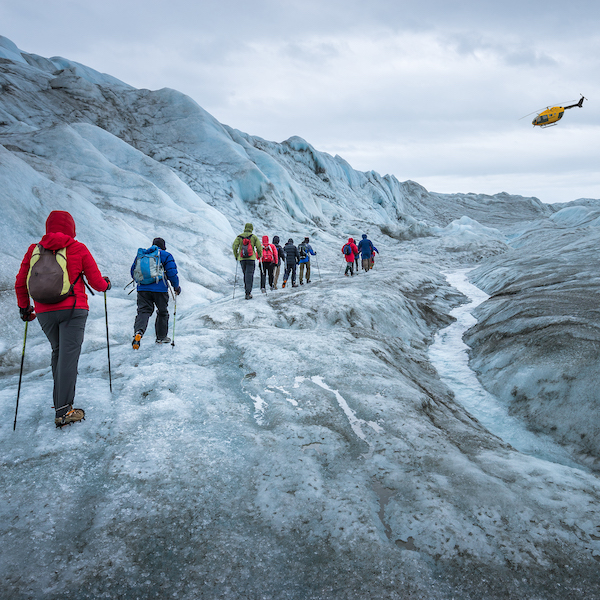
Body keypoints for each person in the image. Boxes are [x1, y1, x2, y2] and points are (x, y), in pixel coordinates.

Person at [15, 210, 111, 428]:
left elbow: (21, 282)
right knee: (68, 357)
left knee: (58, 353)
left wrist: (24, 308)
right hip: (73, 310)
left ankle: (61, 403)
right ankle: (64, 411)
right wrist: (106, 285)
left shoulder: (34, 250)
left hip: (44, 312)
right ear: (72, 228)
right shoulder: (77, 248)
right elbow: (96, 282)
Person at [131, 237, 180, 349]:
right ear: (163, 246)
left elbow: (133, 271)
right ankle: (161, 337)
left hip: (142, 289)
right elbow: (172, 273)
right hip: (160, 289)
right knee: (162, 312)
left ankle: (138, 332)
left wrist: (142, 282)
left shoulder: (143, 255)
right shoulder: (166, 255)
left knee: (143, 311)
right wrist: (176, 287)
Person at [232, 223, 262, 299]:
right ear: (251, 228)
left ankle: (247, 291)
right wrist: (259, 255)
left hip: (242, 259)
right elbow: (259, 247)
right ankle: (248, 293)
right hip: (251, 259)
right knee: (249, 275)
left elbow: (234, 246)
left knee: (245, 275)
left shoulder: (239, 237)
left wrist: (237, 255)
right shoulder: (254, 237)